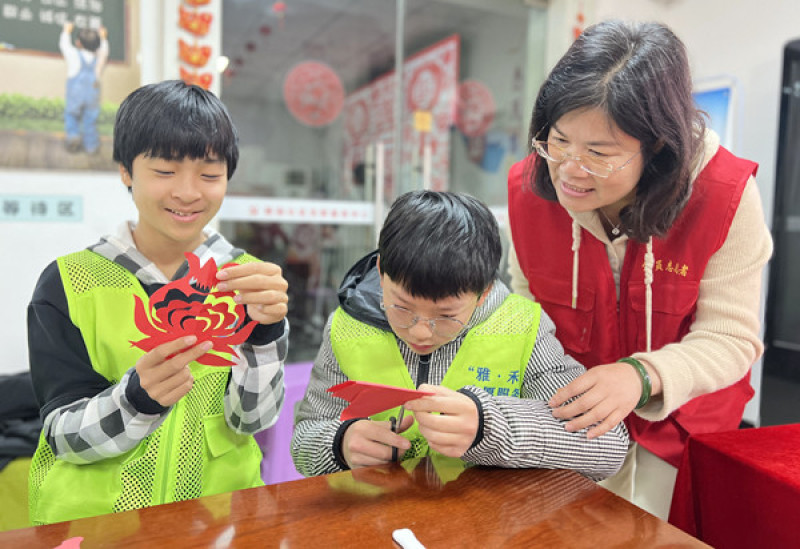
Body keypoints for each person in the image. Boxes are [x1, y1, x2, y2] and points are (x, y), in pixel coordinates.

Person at [506, 20, 773, 519]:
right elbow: (527, 307)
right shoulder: (530, 188)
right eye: (559, 141)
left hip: (684, 427)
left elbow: (731, 337)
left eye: (599, 154)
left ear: (656, 150)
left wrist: (642, 376)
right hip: (572, 422)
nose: (569, 170)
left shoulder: (724, 195)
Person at [27, 80, 289, 525]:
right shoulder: (68, 283)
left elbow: (253, 420)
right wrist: (135, 400)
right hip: (99, 523)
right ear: (126, 171)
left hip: (216, 518)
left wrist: (264, 335)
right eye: (165, 171)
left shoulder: (244, 279)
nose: (188, 193)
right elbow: (63, 437)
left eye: (209, 175)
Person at [291, 190, 628, 480]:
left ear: (483, 292)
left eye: (446, 316)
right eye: (402, 308)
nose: (421, 331)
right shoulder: (347, 327)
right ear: (381, 272)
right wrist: (340, 443)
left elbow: (606, 445)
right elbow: (303, 441)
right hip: (381, 522)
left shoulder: (522, 327)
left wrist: (489, 428)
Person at [59, 22, 109, 154]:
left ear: (78, 43)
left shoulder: (74, 56)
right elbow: (104, 51)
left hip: (76, 92)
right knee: (90, 118)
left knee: (71, 114)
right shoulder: (99, 58)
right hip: (93, 92)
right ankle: (91, 146)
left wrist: (66, 31)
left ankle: (73, 136)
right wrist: (103, 38)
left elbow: (64, 46)